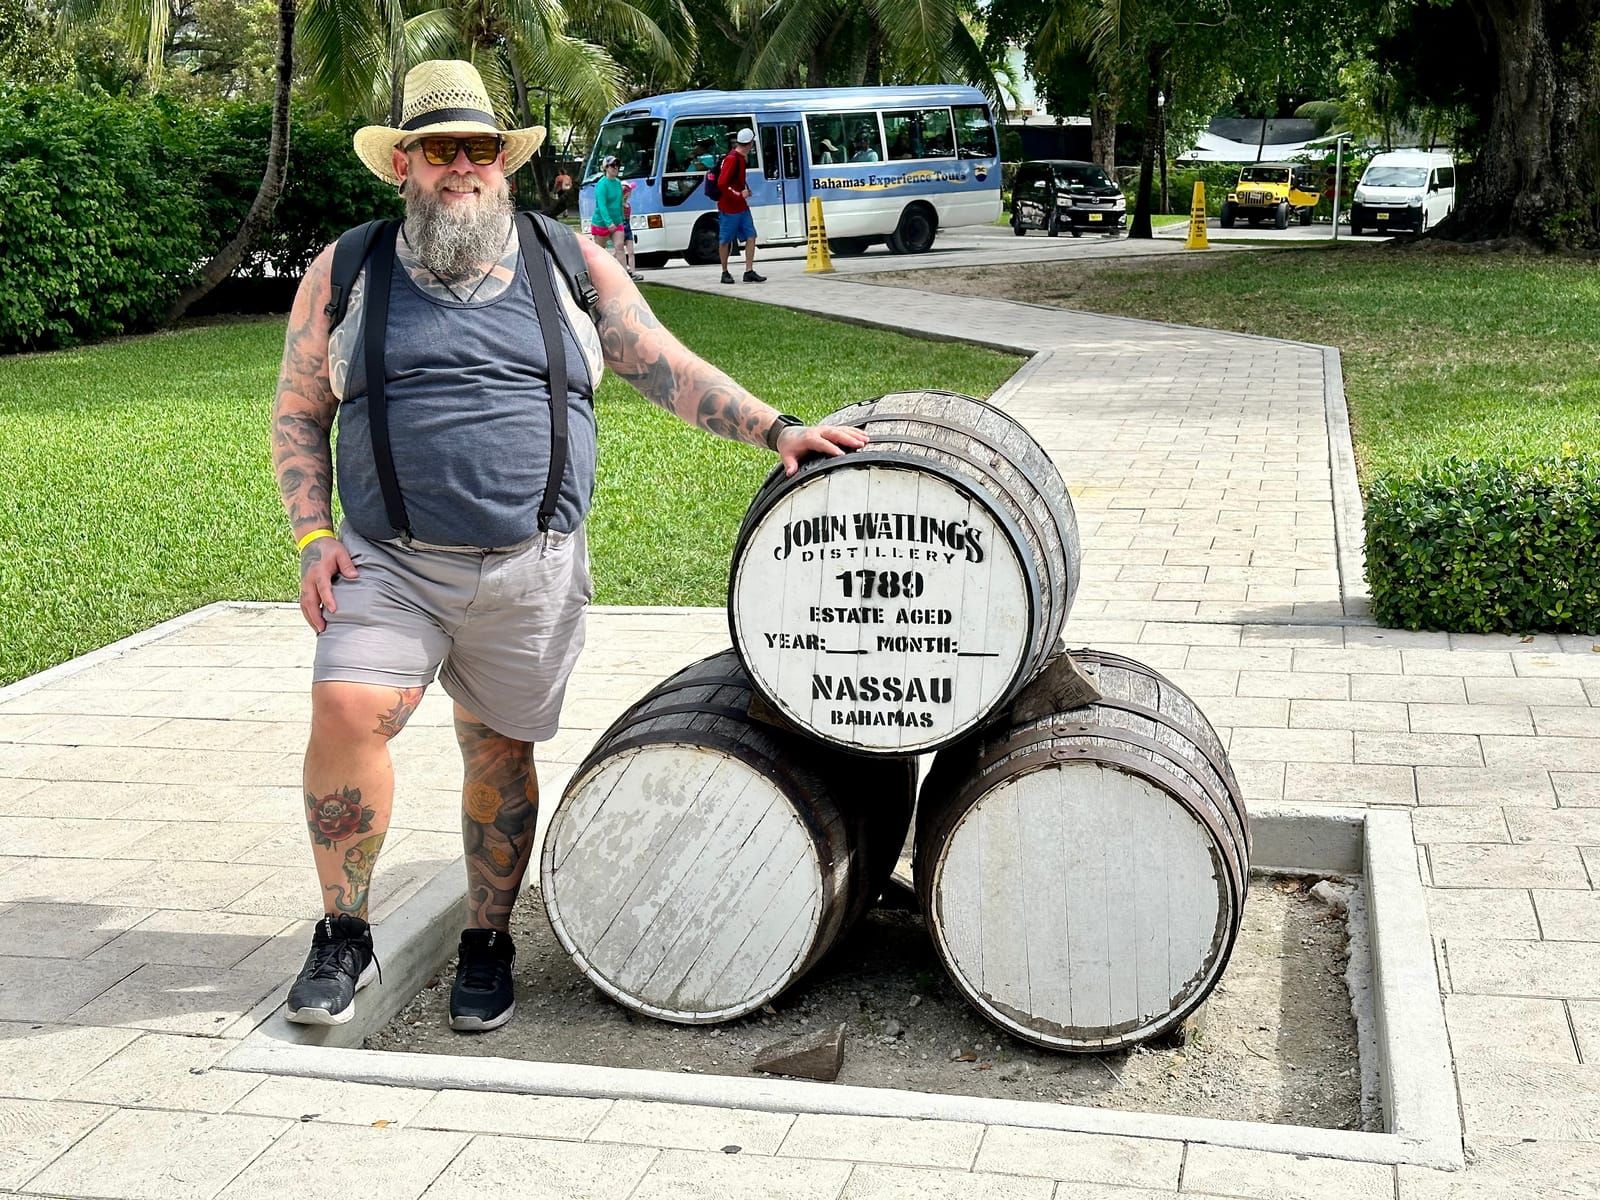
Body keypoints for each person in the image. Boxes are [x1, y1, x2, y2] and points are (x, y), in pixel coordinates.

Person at [270, 59, 867, 1031]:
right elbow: (298, 412)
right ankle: (344, 934)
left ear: (501, 163)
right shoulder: (346, 271)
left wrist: (776, 428)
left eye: (476, 148)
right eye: (435, 150)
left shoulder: (566, 262)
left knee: (496, 751)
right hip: (391, 562)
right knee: (346, 705)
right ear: (404, 168)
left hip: (530, 567)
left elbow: (660, 365)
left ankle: (488, 941)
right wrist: (311, 534)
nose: (458, 166)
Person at [717, 128, 763, 284]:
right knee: (725, 240)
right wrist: (738, 194)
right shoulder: (732, 159)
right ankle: (724, 272)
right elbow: (722, 183)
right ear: (749, 143)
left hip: (741, 207)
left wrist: (742, 194)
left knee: (751, 235)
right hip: (729, 208)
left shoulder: (741, 158)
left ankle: (749, 270)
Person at [589, 155, 627, 266]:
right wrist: (608, 222)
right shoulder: (602, 184)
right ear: (605, 167)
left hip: (617, 221)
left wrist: (622, 218)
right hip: (601, 222)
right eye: (612, 165)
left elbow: (619, 202)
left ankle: (624, 276)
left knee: (620, 247)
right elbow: (602, 206)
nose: (615, 168)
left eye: (617, 165)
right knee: (600, 252)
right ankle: (597, 275)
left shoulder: (618, 183)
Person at [619, 180, 644, 282]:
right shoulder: (618, 205)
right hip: (620, 227)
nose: (627, 194)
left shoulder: (628, 205)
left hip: (628, 228)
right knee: (618, 251)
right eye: (625, 192)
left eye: (628, 192)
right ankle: (623, 270)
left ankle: (633, 272)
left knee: (631, 252)